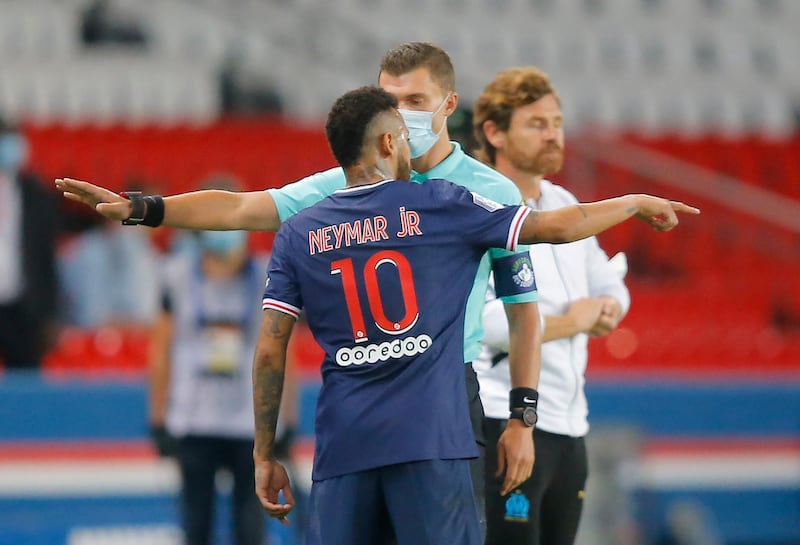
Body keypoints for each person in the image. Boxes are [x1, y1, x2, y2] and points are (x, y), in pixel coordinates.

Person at [57, 43, 546, 531]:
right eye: (389, 101)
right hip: (359, 400)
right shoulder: (342, 185)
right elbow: (239, 209)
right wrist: (143, 209)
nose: (400, 115)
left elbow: (523, 310)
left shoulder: (493, 193)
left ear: (449, 105)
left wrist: (522, 419)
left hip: (444, 400)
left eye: (415, 101)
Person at [251, 86, 697, 545]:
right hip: (433, 440)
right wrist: (633, 204)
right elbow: (554, 226)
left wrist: (264, 454)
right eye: (404, 137)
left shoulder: (297, 234)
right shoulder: (440, 204)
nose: (412, 147)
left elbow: (269, 350)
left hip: (343, 443)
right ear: (388, 144)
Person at [472, 66, 632, 545]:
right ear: (494, 132)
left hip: (568, 421)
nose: (552, 135)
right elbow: (481, 322)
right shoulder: (478, 206)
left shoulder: (563, 201)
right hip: (503, 415)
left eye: (557, 123)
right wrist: (572, 321)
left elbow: (610, 276)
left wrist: (608, 308)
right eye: (536, 124)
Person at [148, 221, 271, 545]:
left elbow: (281, 351)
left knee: (250, 526)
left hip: (249, 418)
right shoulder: (176, 275)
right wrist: (159, 415)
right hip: (194, 415)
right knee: (196, 523)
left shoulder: (266, 276)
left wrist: (283, 420)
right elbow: (161, 349)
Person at [0, 119, 59, 369]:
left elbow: (45, 258)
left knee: (25, 384)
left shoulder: (35, 194)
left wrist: (49, 315)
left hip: (23, 309)